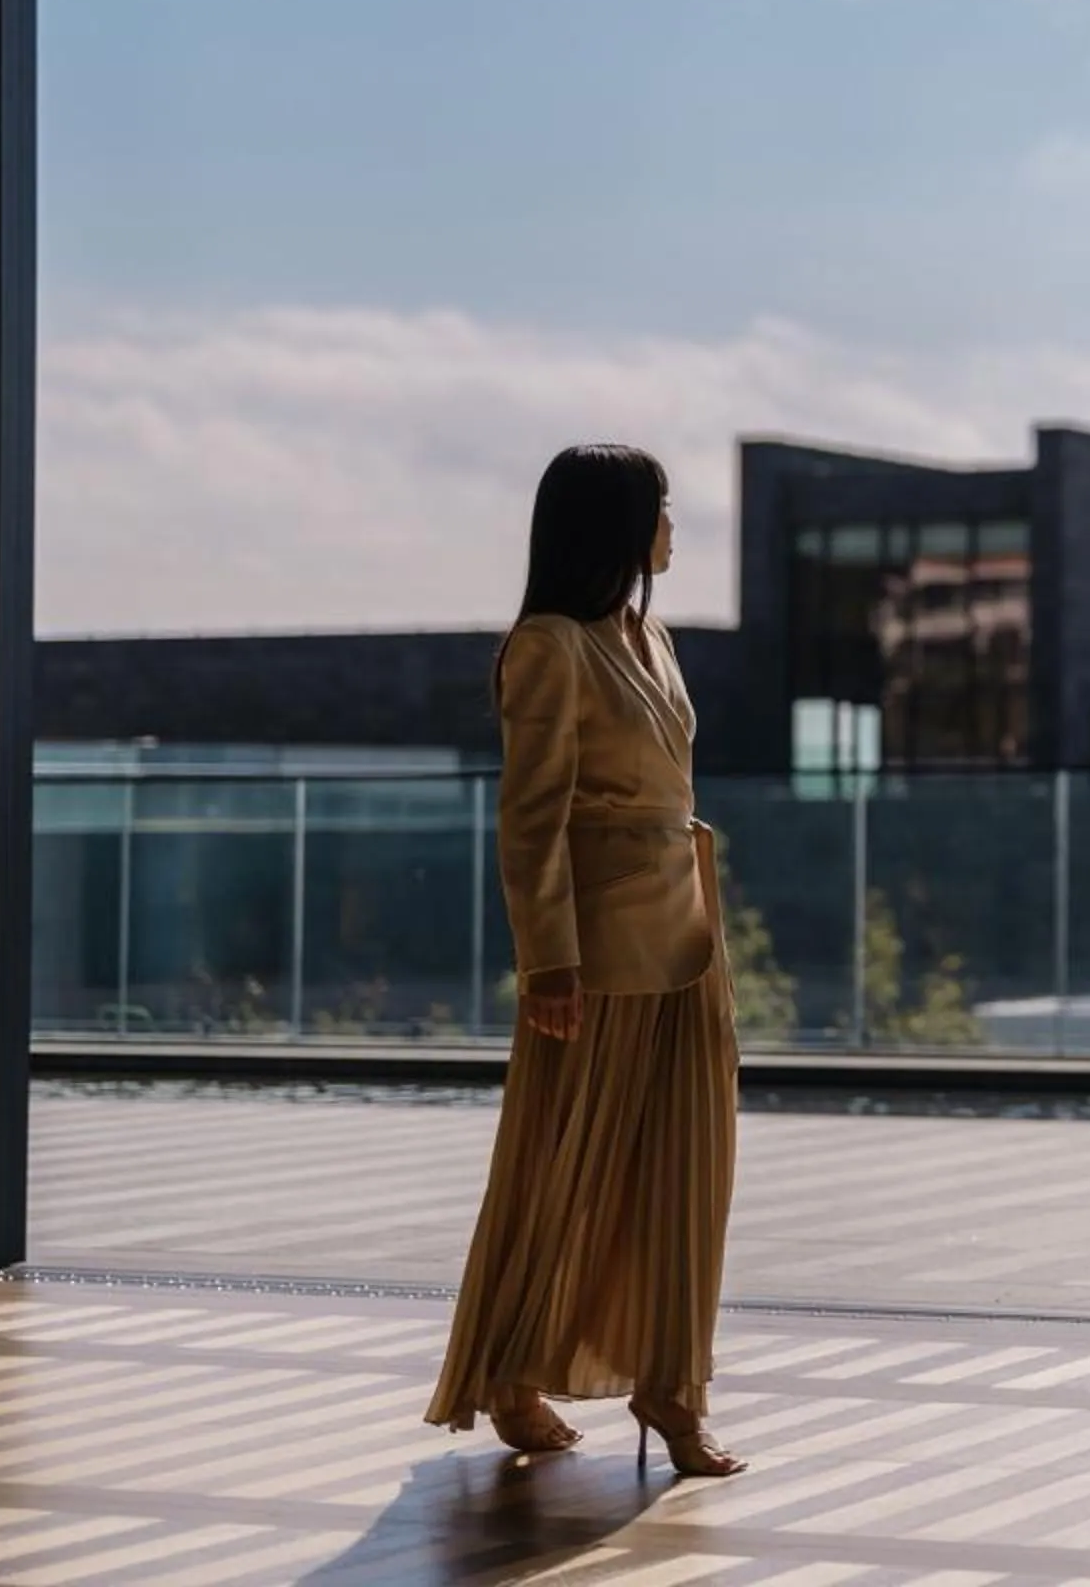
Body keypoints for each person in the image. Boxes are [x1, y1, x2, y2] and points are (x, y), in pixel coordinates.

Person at [425, 443, 747, 1478]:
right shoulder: (550, 646)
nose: (672, 528)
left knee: (688, 1173)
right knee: (561, 1170)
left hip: (689, 940)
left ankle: (671, 1385)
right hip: (597, 952)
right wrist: (546, 962)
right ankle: (512, 1374)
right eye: (660, 508)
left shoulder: (651, 636)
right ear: (613, 524)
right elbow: (530, 820)